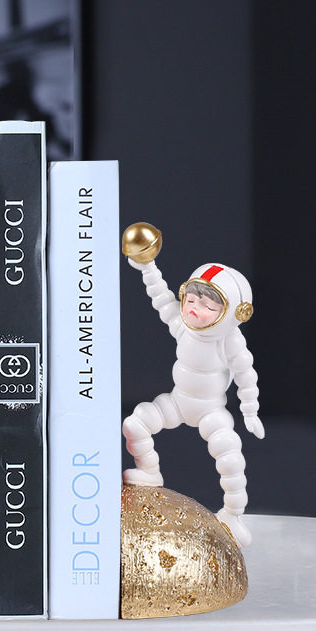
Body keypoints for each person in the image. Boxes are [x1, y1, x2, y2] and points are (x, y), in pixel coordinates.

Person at [121, 224, 263, 547]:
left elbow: (247, 376)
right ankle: (150, 471)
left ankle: (233, 514)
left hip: (211, 411)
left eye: (210, 306)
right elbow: (161, 297)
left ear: (236, 313)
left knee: (230, 458)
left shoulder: (230, 341)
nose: (196, 309)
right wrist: (147, 266)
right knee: (135, 424)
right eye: (192, 298)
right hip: (177, 401)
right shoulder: (183, 325)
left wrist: (250, 412)